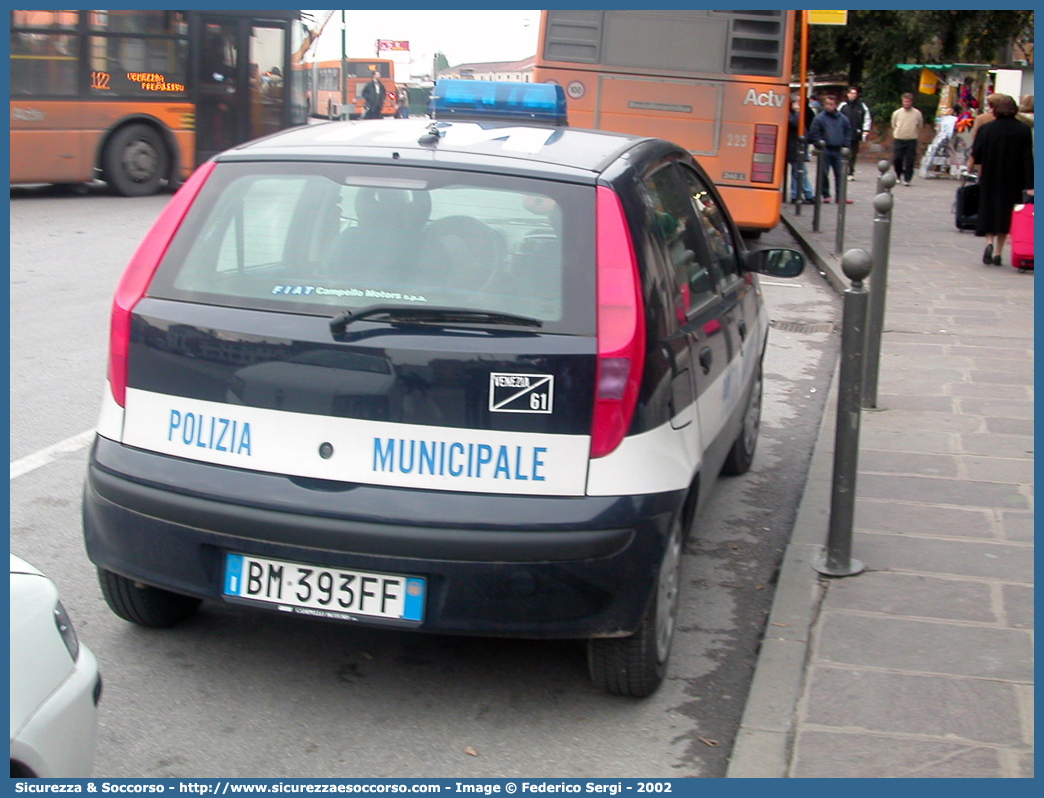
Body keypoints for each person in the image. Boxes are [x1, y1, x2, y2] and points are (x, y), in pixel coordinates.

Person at [966, 94, 1034, 266]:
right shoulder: (1023, 130)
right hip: (1013, 179)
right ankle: (998, 252)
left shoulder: (986, 129)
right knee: (1006, 214)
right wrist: (1030, 185)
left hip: (990, 176)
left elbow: (977, 154)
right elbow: (1027, 158)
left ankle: (989, 242)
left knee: (988, 209)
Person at [807, 94, 852, 204]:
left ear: (835, 105)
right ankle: (825, 194)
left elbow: (848, 132)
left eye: (831, 104)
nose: (828, 106)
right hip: (825, 149)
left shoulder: (843, 119)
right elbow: (814, 133)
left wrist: (846, 145)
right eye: (827, 104)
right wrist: (819, 143)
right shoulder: (819, 118)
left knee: (840, 174)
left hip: (838, 150)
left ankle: (840, 196)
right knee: (823, 173)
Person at [838, 86, 872, 180]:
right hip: (844, 134)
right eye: (852, 93)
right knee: (844, 152)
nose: (854, 95)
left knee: (853, 153)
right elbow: (837, 118)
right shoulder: (843, 106)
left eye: (855, 93)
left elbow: (867, 118)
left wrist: (865, 130)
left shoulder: (861, 106)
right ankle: (843, 169)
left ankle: (850, 171)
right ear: (848, 94)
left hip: (855, 133)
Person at [891, 92, 924, 186]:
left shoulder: (917, 113)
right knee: (897, 159)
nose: (906, 103)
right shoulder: (897, 113)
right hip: (899, 138)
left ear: (911, 102)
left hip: (911, 139)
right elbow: (893, 124)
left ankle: (907, 178)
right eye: (905, 101)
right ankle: (898, 174)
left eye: (908, 102)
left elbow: (920, 125)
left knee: (910, 160)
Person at [786, 94, 815, 203]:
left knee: (797, 172)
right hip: (793, 147)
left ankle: (795, 194)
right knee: (801, 171)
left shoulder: (798, 113)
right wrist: (797, 112)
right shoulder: (791, 114)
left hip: (798, 146)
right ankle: (808, 194)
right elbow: (794, 123)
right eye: (797, 102)